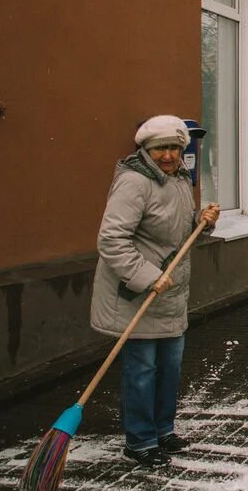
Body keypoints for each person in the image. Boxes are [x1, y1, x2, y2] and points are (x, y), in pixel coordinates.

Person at [91, 115, 219, 468]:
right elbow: (111, 240)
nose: (169, 155)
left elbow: (174, 232)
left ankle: (163, 430)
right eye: (161, 148)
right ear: (146, 149)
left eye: (175, 148)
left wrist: (200, 222)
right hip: (139, 293)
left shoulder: (178, 180)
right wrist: (147, 277)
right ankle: (140, 440)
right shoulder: (134, 183)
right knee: (143, 370)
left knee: (169, 368)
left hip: (170, 294)